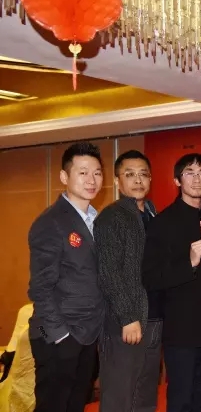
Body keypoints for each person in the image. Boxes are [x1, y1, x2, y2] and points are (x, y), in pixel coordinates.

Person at [142, 153, 201, 412]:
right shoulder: (162, 223)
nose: (197, 179)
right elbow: (151, 277)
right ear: (177, 180)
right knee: (181, 399)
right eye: (190, 173)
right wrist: (189, 262)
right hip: (180, 325)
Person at [27, 141, 105, 412]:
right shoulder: (51, 222)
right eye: (82, 172)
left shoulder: (96, 220)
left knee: (76, 404)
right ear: (64, 176)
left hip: (87, 334)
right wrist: (60, 335)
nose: (91, 180)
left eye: (97, 173)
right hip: (56, 335)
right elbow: (40, 288)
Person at [95, 150, 161, 412]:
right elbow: (109, 271)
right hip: (126, 322)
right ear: (117, 181)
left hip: (154, 319)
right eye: (130, 174)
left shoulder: (153, 214)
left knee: (145, 395)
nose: (138, 180)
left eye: (143, 174)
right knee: (119, 397)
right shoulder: (111, 217)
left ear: (151, 179)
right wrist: (127, 317)